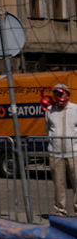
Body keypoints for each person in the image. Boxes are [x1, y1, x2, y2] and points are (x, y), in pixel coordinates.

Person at [44, 83, 77, 218]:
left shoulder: (75, 109)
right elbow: (48, 128)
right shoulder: (49, 111)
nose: (58, 96)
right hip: (55, 153)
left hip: (74, 153)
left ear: (67, 95)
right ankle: (60, 211)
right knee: (58, 183)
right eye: (55, 93)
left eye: (60, 93)